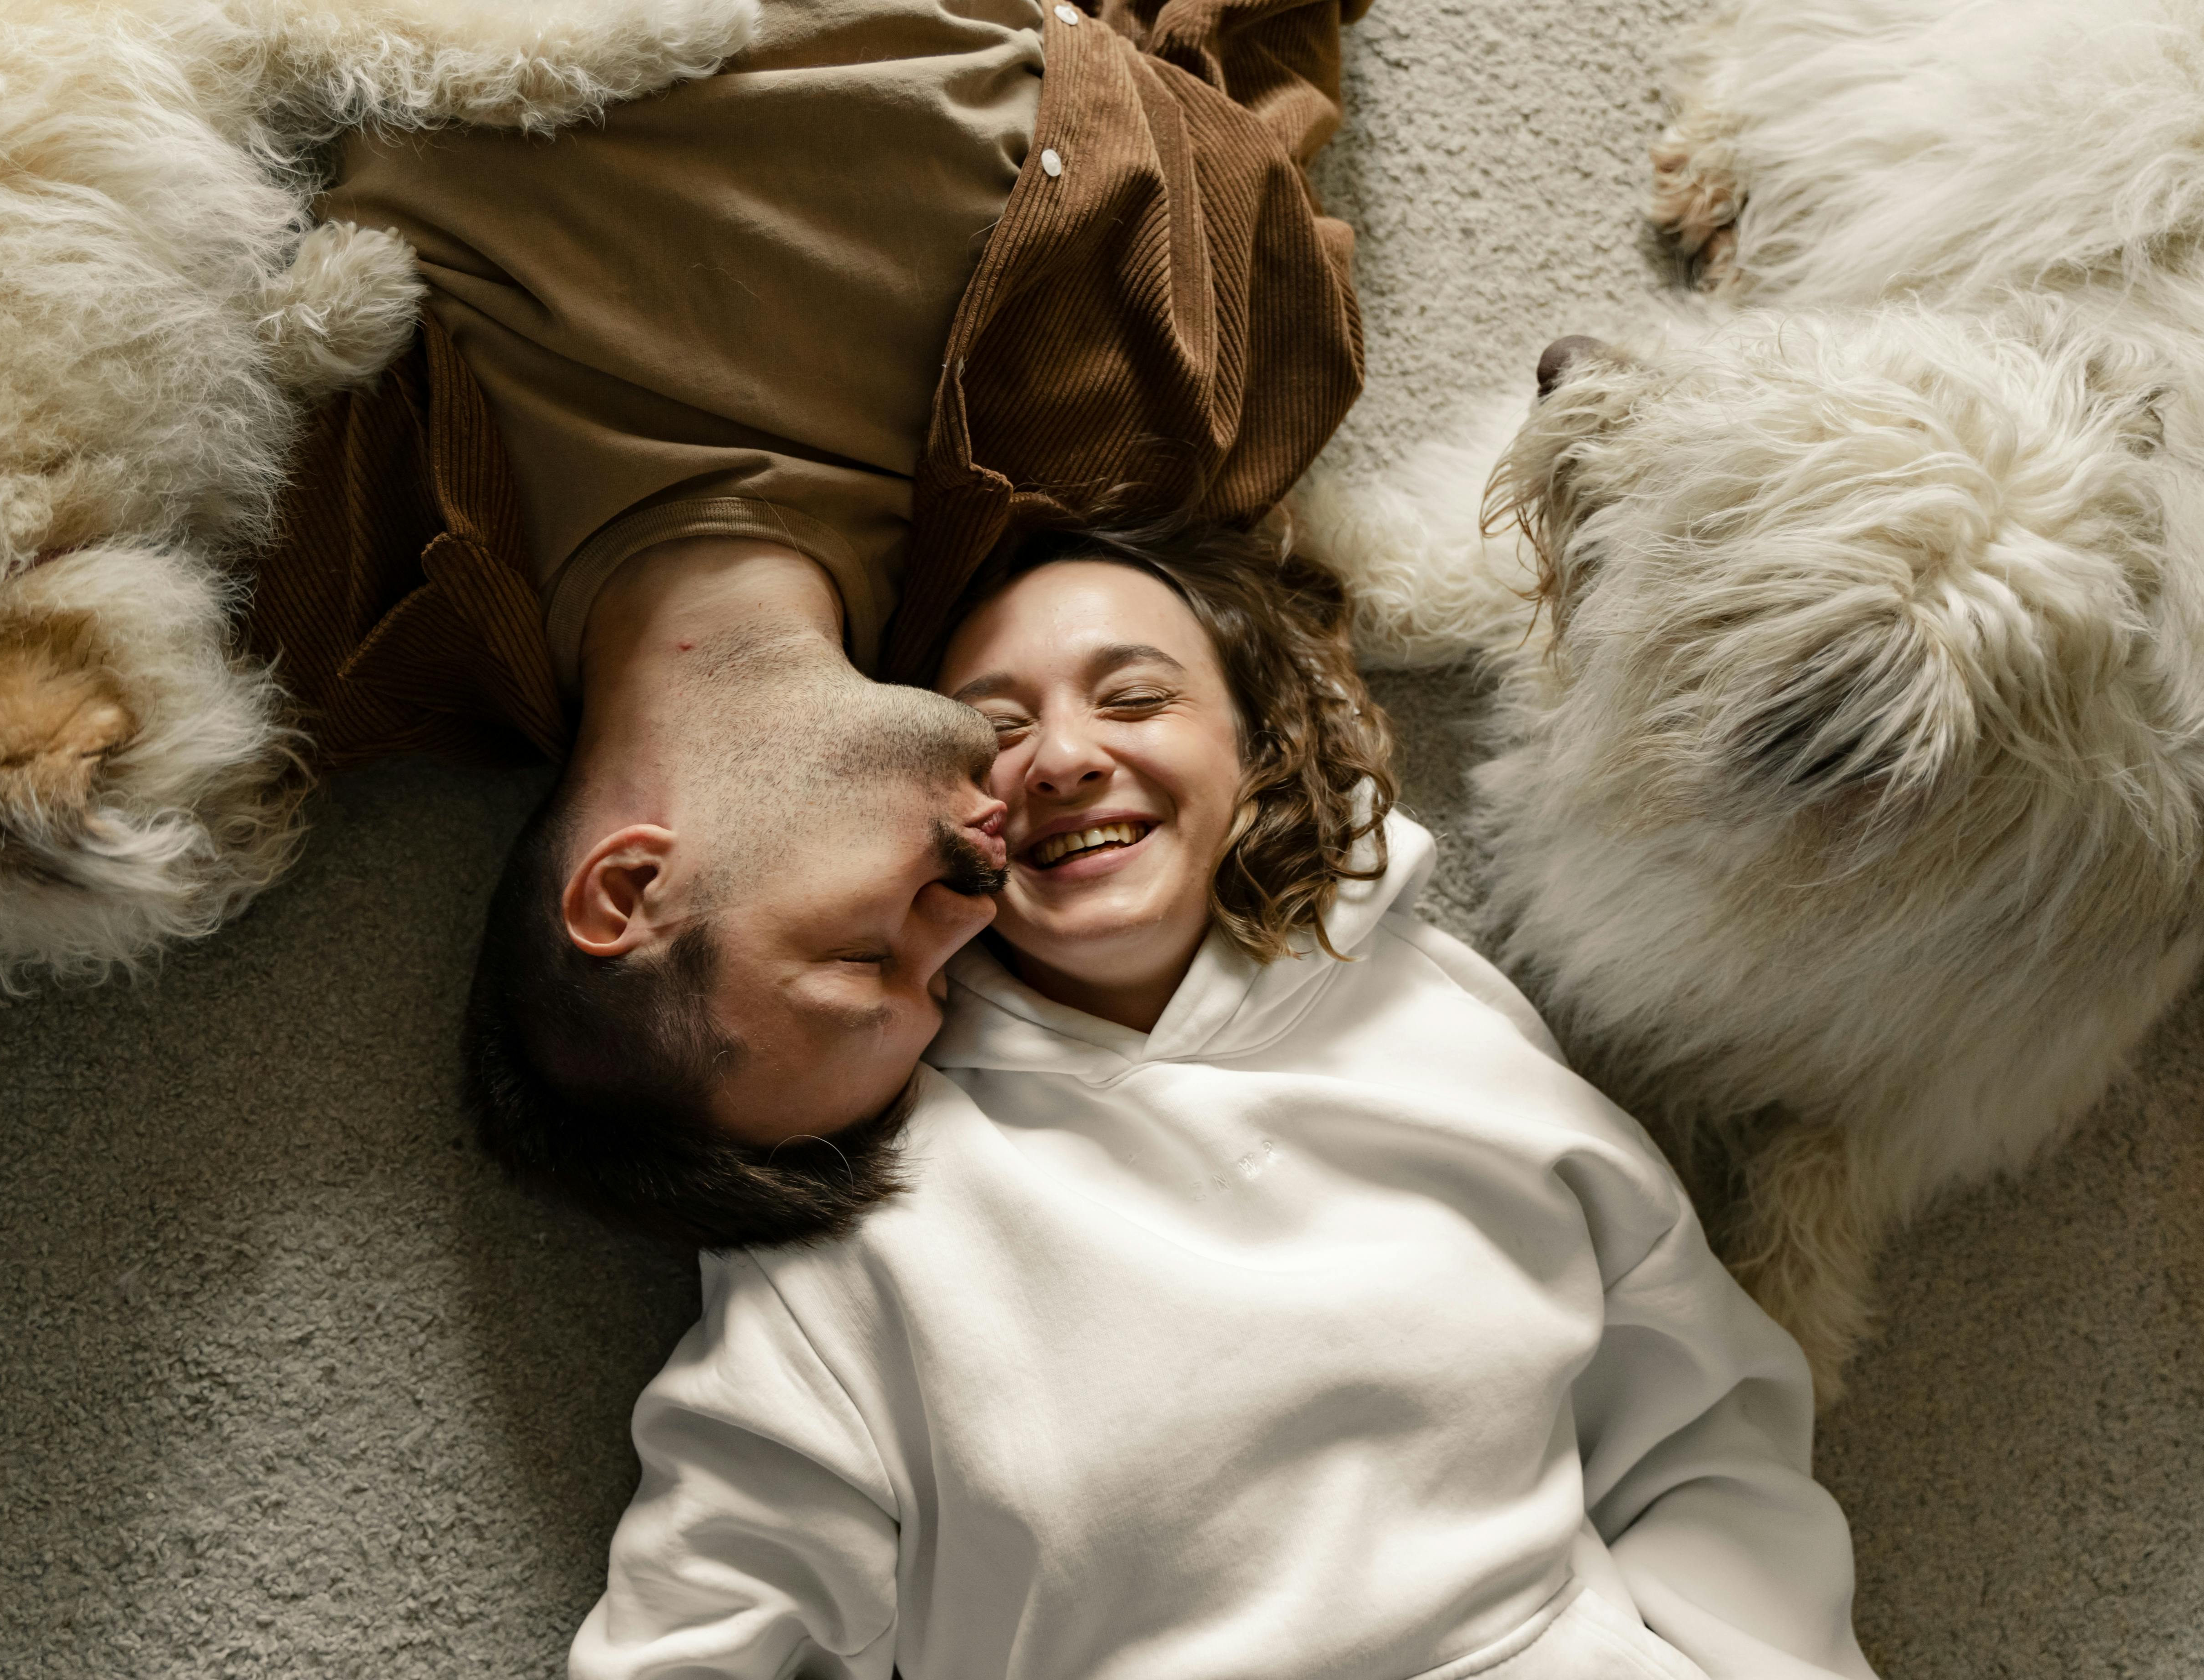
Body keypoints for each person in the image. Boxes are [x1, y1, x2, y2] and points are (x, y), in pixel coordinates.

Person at [566, 532, 1879, 1680]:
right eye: (996, 730)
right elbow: (704, 1598)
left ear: (1251, 746)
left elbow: (1702, 1428)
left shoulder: (1439, 1025)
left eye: (1134, 696)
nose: (1066, 757)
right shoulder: (867, 1180)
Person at [236, 0, 1371, 1220]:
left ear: (627, 888)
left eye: (866, 959)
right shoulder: (1148, 437)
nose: (967, 917)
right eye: (939, 977)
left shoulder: (313, 575)